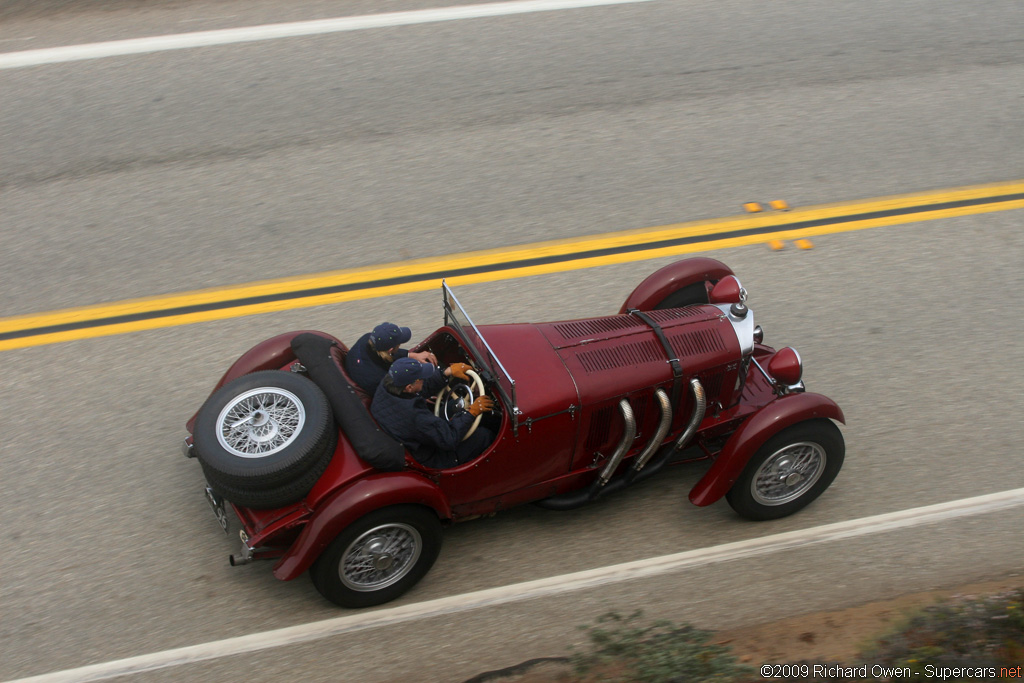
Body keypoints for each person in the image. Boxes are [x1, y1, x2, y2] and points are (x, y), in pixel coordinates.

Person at [371, 357, 495, 469]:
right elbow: (449, 439)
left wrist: (446, 373)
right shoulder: (414, 414)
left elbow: (420, 389)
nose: (424, 379)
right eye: (421, 378)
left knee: (454, 404)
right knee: (483, 435)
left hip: (409, 436)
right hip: (434, 457)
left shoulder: (387, 385)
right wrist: (472, 412)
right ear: (409, 387)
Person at [345, 322, 438, 395]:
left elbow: (384, 354)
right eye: (399, 343)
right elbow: (400, 392)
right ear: (391, 349)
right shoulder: (380, 379)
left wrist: (411, 355)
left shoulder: (366, 339)